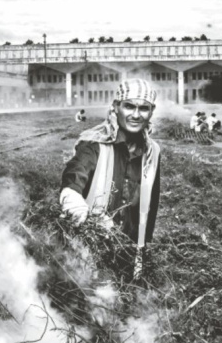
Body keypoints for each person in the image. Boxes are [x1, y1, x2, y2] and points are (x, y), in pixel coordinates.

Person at [60, 79, 162, 280]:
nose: (135, 114)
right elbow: (73, 178)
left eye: (143, 108)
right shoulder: (94, 144)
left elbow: (150, 206)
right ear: (116, 107)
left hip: (128, 251)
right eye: (129, 106)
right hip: (89, 249)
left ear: (151, 111)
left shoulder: (153, 152)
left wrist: (142, 252)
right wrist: (75, 203)